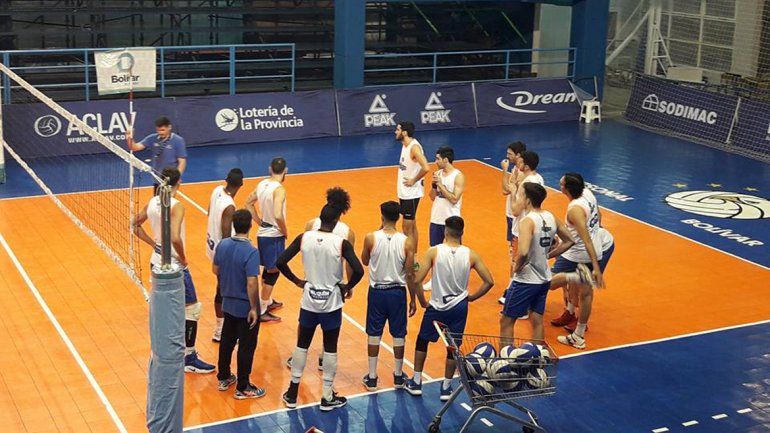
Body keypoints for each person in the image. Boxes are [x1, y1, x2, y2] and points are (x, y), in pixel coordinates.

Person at [276, 205, 365, 411]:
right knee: (330, 347)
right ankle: (327, 395)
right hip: (331, 303)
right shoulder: (341, 243)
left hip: (309, 301)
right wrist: (347, 287)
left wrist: (297, 281)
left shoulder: (304, 238)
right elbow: (359, 270)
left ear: (320, 218)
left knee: (302, 345)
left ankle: (292, 392)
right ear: (336, 222)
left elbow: (280, 262)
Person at [132, 167, 215, 373]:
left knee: (167, 309)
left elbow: (134, 224)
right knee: (192, 308)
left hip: (156, 262)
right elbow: (176, 237)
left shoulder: (153, 201)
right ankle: (189, 357)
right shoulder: (176, 206)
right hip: (174, 265)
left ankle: (165, 350)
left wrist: (154, 244)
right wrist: (184, 259)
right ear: (179, 182)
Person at [404, 216, 494, 401]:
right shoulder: (471, 254)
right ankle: (446, 387)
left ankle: (416, 381)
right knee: (453, 346)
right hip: (459, 307)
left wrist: (422, 301)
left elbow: (417, 280)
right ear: (462, 233)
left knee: (422, 341)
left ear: (445, 231)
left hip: (437, 306)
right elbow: (489, 281)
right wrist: (471, 297)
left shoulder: (434, 251)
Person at [500, 183, 584, 344]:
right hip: (544, 278)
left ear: (527, 200)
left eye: (521, 195)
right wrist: (548, 255)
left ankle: (504, 356)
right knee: (537, 319)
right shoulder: (550, 216)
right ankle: (538, 354)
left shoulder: (527, 221)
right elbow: (569, 240)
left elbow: (523, 252)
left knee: (506, 321)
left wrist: (517, 268)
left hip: (526, 280)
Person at [286, 187, 356, 371]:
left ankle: (298, 355)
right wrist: (349, 286)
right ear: (343, 210)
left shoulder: (311, 224)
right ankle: (325, 357)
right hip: (333, 285)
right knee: (331, 327)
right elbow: (350, 264)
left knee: (304, 323)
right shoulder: (348, 232)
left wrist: (299, 280)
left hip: (312, 281)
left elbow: (306, 249)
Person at [360, 201, 418, 391]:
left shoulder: (371, 237)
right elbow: (410, 273)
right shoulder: (407, 242)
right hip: (397, 293)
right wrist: (413, 299)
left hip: (377, 292)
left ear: (382, 216)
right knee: (399, 334)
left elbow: (364, 261)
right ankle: (399, 376)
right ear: (399, 217)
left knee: (374, 333)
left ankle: (372, 377)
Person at [550, 177, 615, 334]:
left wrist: (596, 268)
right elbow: (599, 214)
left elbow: (587, 240)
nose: (559, 184)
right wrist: (596, 230)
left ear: (567, 189)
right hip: (578, 249)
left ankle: (580, 328)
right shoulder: (587, 193)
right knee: (574, 283)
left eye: (561, 183)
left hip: (591, 250)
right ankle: (570, 312)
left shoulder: (575, 210)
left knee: (581, 289)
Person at [213, 209, 265, 399]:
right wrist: (254, 308)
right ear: (250, 226)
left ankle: (224, 376)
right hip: (245, 307)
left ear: (234, 225)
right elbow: (252, 283)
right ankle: (243, 387)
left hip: (227, 302)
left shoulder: (223, 244)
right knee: (246, 346)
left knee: (227, 341)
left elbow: (215, 269)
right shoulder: (251, 251)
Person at [245, 158, 288, 323]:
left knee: (269, 269)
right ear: (286, 170)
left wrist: (259, 221)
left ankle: (267, 301)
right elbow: (278, 214)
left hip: (263, 233)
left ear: (270, 169)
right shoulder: (279, 189)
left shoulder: (262, 184)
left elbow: (248, 203)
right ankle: (262, 309)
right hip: (274, 235)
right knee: (274, 271)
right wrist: (284, 230)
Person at [207, 168, 244, 342]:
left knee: (221, 288)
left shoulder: (216, 189)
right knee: (224, 290)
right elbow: (227, 235)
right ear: (241, 185)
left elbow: (209, 212)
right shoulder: (229, 206)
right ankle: (221, 330)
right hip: (222, 252)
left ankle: (222, 327)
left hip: (211, 245)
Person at [424, 146, 465, 291]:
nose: (435, 161)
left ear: (446, 159)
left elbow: (454, 199)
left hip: (452, 220)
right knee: (435, 251)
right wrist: (434, 185)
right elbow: (432, 197)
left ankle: (456, 280)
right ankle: (435, 280)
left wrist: (440, 184)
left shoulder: (458, 176)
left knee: (454, 252)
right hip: (436, 218)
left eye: (438, 159)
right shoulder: (437, 174)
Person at [395, 121, 430, 250]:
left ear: (404, 133)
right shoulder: (405, 145)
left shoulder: (414, 148)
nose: (395, 132)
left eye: (398, 130)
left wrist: (413, 180)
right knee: (412, 226)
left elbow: (426, 167)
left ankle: (409, 258)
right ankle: (413, 256)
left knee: (407, 228)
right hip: (405, 192)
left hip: (411, 193)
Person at [499, 141, 526, 304]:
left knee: (515, 254)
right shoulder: (515, 170)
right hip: (510, 215)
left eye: (510, 154)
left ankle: (512, 288)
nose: (507, 156)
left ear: (518, 155)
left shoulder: (521, 174)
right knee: (512, 252)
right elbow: (506, 190)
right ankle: (512, 285)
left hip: (516, 217)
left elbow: (506, 190)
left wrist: (504, 171)